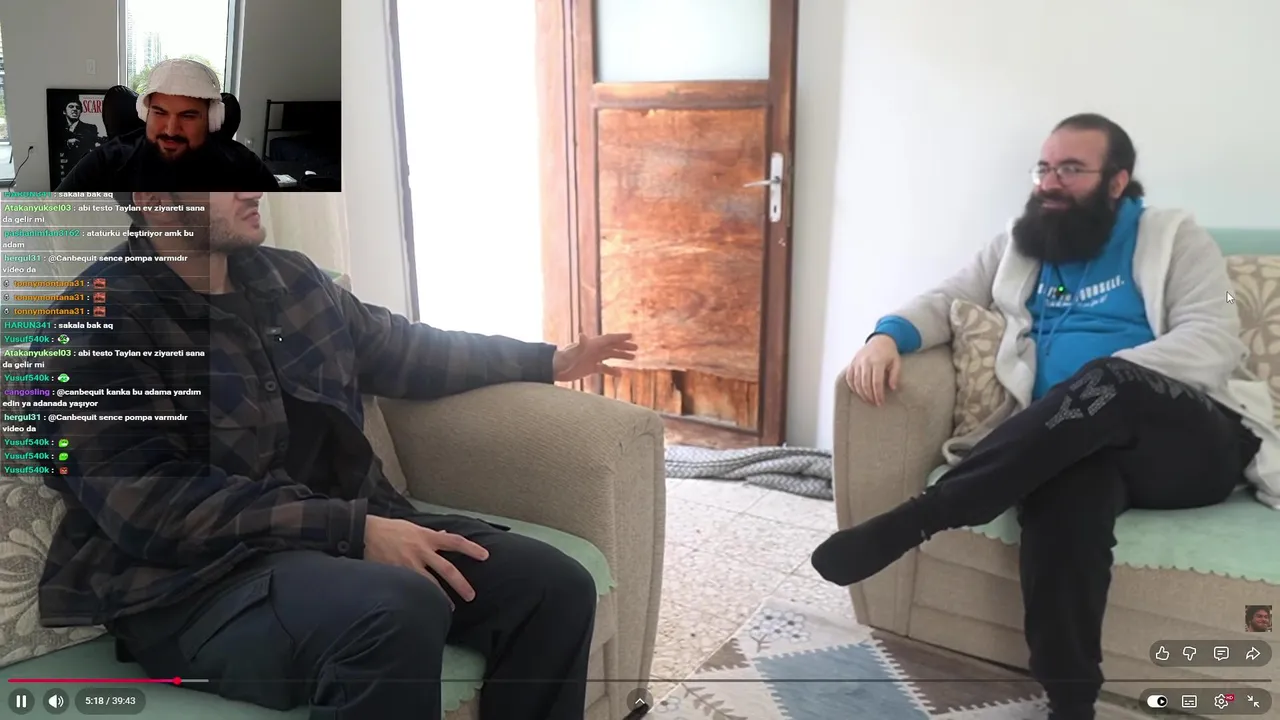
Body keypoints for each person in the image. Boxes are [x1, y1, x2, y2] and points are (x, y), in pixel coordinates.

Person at [36, 191, 637, 720]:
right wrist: (352, 530)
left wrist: (546, 360)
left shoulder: (291, 280)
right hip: (193, 587)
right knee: (396, 610)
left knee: (553, 586)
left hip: (336, 540)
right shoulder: (95, 320)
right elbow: (152, 506)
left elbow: (405, 350)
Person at [810, 113, 1280, 720]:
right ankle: (1070, 702)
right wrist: (885, 336)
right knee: (1065, 499)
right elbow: (947, 297)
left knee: (1109, 380)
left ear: (1117, 182)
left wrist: (1102, 378)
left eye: (1072, 169)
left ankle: (923, 517)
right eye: (1044, 168)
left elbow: (1214, 337)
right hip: (1076, 440)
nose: (1050, 182)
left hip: (1189, 444)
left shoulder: (1177, 239)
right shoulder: (1020, 243)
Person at [56, 59, 279, 191]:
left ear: (212, 119)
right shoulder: (106, 161)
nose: (171, 130)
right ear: (145, 113)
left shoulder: (244, 167)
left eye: (188, 116)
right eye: (160, 113)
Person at [58, 99, 102, 177]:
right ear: (64, 112)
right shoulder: (59, 130)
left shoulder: (90, 128)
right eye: (71, 107)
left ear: (80, 112)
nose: (75, 109)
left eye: (78, 108)